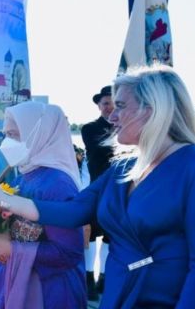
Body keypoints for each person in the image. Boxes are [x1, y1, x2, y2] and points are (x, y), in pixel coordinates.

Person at [0, 64, 195, 308]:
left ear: (152, 110)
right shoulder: (123, 168)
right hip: (117, 295)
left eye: (120, 106)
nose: (111, 116)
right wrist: (0, 199)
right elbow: (73, 212)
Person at [0, 102, 86, 309]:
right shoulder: (23, 176)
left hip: (45, 292)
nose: (7, 142)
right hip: (16, 283)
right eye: (6, 134)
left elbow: (68, 253)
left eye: (15, 134)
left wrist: (11, 248)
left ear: (40, 134)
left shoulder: (58, 183)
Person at [80, 85, 114, 299]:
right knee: (91, 236)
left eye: (114, 103)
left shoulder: (127, 126)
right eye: (105, 104)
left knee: (111, 236)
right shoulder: (89, 128)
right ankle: (88, 277)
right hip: (97, 189)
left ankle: (103, 277)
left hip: (120, 191)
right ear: (99, 106)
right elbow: (101, 150)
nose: (109, 108)